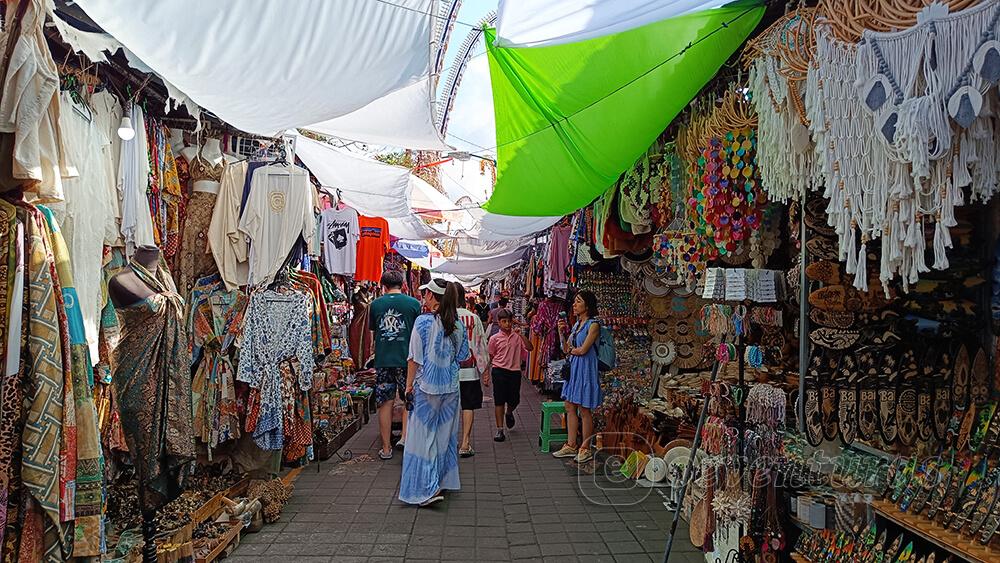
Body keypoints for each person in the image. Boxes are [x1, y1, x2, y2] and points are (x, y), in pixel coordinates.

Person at [400, 278, 470, 506]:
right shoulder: (458, 325)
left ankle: (425, 489)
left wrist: (408, 386)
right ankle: (442, 481)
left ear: (432, 296)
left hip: (425, 389)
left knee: (422, 440)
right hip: (450, 389)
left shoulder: (422, 323)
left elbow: (413, 359)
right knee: (444, 438)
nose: (424, 297)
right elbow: (462, 356)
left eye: (426, 293)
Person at [369, 270, 422, 460]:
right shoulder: (414, 304)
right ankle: (406, 440)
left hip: (383, 360)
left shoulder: (375, 305)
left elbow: (374, 333)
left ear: (383, 285)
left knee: (385, 402)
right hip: (407, 359)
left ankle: (385, 448)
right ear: (403, 284)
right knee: (409, 399)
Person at [553, 290, 603, 463]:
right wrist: (561, 332)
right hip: (574, 369)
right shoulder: (576, 325)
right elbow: (566, 349)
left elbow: (583, 350)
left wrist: (573, 351)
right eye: (574, 302)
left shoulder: (593, 325)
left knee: (584, 409)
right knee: (570, 406)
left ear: (587, 305)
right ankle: (571, 444)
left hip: (586, 369)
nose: (574, 305)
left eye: (578, 302)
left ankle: (585, 448)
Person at [487, 309, 532, 442]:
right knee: (499, 400)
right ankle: (500, 430)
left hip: (514, 372)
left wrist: (522, 335)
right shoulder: (494, 338)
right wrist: (486, 374)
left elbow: (530, 348)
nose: (507, 324)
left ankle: (509, 412)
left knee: (514, 400)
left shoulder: (517, 337)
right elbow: (490, 356)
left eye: (508, 321)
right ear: (499, 323)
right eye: (503, 321)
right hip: (499, 371)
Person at [456, 285, 490, 457]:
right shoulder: (473, 318)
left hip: (447, 372)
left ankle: (448, 443)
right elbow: (481, 344)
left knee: (450, 407)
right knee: (468, 406)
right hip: (469, 371)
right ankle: (465, 443)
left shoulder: (444, 318)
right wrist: (484, 370)